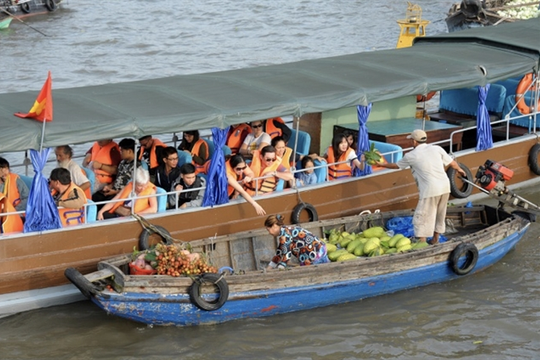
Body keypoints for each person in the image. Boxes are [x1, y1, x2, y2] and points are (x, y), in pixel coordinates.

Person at [377, 129, 467, 244]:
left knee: (423, 216)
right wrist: (460, 171)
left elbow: (396, 165)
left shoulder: (411, 155)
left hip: (430, 189)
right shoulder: (437, 149)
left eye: (411, 141)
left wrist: (381, 164)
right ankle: (435, 239)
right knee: (440, 214)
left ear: (414, 142)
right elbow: (452, 163)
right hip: (445, 186)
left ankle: (422, 243)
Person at [265, 214, 329, 269]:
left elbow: (287, 255)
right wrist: (270, 267)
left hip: (313, 255)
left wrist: (281, 267)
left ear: (274, 226)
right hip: (320, 249)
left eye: (268, 230)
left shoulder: (285, 235)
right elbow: (280, 252)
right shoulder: (286, 230)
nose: (269, 233)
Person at [92, 138, 137, 210]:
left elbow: (133, 188)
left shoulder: (137, 166)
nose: (120, 152)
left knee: (100, 203)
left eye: (122, 151)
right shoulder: (122, 163)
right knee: (94, 197)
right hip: (113, 189)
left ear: (129, 151)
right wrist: (109, 186)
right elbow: (118, 178)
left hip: (122, 193)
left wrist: (115, 192)